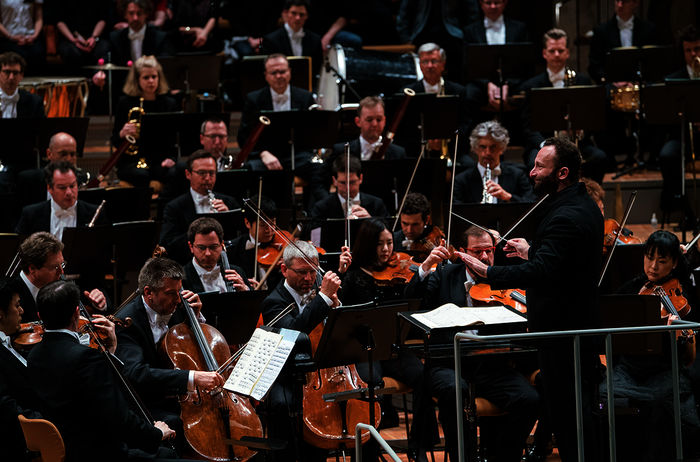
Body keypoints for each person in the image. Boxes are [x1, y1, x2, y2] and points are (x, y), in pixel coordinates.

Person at [461, 137, 604, 461]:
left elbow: (542, 272)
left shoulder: (565, 215)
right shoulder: (581, 204)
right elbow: (561, 262)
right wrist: (533, 249)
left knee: (571, 422)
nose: (532, 172)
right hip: (574, 328)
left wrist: (489, 272)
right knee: (575, 419)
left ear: (562, 172)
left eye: (541, 166)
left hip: (563, 333)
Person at [406, 226, 540, 462]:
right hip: (448, 364)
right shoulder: (445, 274)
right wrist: (425, 268)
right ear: (461, 252)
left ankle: (502, 456)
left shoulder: (502, 278)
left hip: (490, 364)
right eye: (478, 252)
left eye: (489, 251)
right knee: (455, 391)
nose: (485, 258)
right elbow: (413, 304)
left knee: (528, 399)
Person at [27, 280, 180, 462]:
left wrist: (111, 352)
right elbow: (119, 416)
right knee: (169, 452)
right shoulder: (85, 357)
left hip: (64, 448)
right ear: (77, 313)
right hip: (100, 452)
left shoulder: (33, 356)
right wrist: (156, 433)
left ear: (39, 315)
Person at [602, 230, 700, 461]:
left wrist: (677, 332)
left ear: (675, 263)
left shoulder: (682, 292)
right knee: (604, 395)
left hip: (664, 370)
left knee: (678, 415)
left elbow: (688, 355)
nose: (653, 266)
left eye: (662, 261)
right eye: (649, 257)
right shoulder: (631, 288)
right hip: (629, 368)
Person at [115, 257, 224, 447]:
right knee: (178, 423)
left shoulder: (181, 308)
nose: (178, 299)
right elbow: (136, 373)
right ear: (148, 292)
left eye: (179, 292)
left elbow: (197, 350)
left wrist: (196, 318)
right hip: (148, 402)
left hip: (180, 397)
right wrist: (193, 378)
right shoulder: (126, 322)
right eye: (171, 293)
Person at [260, 241, 342, 462]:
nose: (308, 278)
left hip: (319, 371)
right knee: (282, 404)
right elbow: (296, 334)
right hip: (286, 374)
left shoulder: (317, 291)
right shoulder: (273, 302)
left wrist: (334, 308)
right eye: (302, 272)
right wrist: (323, 298)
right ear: (284, 270)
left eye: (313, 271)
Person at [519, 28, 609, 182]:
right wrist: (545, 146)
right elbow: (527, 126)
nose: (556, 55)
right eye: (552, 50)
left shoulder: (582, 82)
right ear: (544, 53)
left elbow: (592, 117)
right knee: (533, 163)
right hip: (543, 143)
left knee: (599, 158)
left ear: (567, 53)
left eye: (560, 51)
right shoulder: (531, 86)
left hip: (576, 143)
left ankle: (590, 201)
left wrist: (582, 130)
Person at [237, 54, 315, 172]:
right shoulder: (253, 99)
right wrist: (263, 154)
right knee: (252, 169)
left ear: (289, 72)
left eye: (282, 71)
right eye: (273, 73)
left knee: (318, 167)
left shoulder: (305, 97)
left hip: (297, 155)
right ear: (266, 76)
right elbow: (244, 136)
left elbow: (311, 132)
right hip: (265, 156)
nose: (279, 76)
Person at [111, 55, 178, 191]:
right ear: (137, 80)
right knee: (140, 175)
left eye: (154, 77)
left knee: (175, 172)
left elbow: (173, 140)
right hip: (131, 162)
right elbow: (115, 141)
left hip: (159, 161)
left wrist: (171, 159)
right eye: (146, 78)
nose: (151, 81)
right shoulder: (125, 103)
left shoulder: (169, 104)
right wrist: (122, 133)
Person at [160, 151, 239, 264]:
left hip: (224, 265)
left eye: (212, 173)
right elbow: (168, 243)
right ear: (188, 174)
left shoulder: (229, 203)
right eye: (202, 173)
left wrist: (228, 217)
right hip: (187, 266)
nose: (207, 178)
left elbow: (239, 239)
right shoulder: (174, 207)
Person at [11, 232, 109, 322]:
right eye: (55, 267)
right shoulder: (9, 297)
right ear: (32, 269)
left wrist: (98, 305)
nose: (61, 272)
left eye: (62, 265)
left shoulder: (61, 282)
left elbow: (87, 314)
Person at [658, 25, 700, 227]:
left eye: (697, 49)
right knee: (667, 154)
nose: (693, 54)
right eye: (688, 50)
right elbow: (667, 118)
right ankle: (685, 211)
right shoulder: (674, 79)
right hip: (684, 135)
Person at [402, 42, 470, 162]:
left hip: (452, 150)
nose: (429, 66)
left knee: (468, 164)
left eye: (434, 61)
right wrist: (427, 142)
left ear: (443, 64)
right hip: (418, 152)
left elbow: (465, 124)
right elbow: (406, 128)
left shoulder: (458, 91)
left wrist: (447, 140)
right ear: (420, 65)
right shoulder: (409, 93)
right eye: (425, 62)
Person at [462, 0, 529, 113]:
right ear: (481, 4)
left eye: (497, 2)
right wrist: (487, 84)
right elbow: (467, 65)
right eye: (488, 3)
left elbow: (525, 63)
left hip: (512, 83)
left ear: (505, 3)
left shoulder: (519, 28)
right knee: (468, 94)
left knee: (527, 92)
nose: (493, 6)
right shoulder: (470, 31)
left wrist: (507, 84)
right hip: (481, 84)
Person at [0, 279, 41, 462]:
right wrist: (47, 421)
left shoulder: (9, 342)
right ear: (1, 314)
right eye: (17, 305)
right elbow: (6, 406)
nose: (22, 311)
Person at [16, 162, 110, 239]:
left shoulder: (96, 213)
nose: (69, 192)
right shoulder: (31, 215)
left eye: (72, 186)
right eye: (62, 188)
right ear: (50, 188)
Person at [93, 0, 174, 89]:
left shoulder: (159, 37)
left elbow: (167, 64)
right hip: (124, 87)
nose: (135, 18)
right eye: (131, 13)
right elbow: (105, 60)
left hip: (152, 87)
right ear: (125, 15)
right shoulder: (115, 37)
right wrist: (99, 73)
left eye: (139, 13)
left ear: (146, 14)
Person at [453, 121, 536, 204]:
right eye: (483, 147)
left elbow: (532, 203)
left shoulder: (517, 175)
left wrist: (508, 197)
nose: (488, 152)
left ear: (502, 148)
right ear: (475, 148)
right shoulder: (461, 180)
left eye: (493, 147)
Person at [396, 0, 478, 81]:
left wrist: (468, 36)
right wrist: (406, 40)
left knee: (457, 69)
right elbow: (404, 15)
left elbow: (472, 14)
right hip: (421, 34)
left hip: (453, 36)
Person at [588, 0, 658, 84]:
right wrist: (613, 82)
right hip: (612, 87)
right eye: (617, 1)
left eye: (624, 1)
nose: (620, 5)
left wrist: (640, 82)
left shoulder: (648, 29)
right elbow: (595, 66)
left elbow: (654, 63)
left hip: (641, 86)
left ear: (635, 3)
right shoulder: (601, 31)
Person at [15, 132, 90, 207]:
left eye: (72, 154)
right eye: (63, 154)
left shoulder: (83, 181)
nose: (69, 159)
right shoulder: (28, 180)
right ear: (49, 154)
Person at [183, 217, 252, 293]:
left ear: (222, 245)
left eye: (213, 247)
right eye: (201, 248)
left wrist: (245, 291)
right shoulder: (181, 279)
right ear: (191, 247)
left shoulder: (237, 271)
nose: (208, 253)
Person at [225, 195, 281, 290]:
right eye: (263, 225)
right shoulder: (232, 249)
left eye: (272, 223)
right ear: (247, 223)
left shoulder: (281, 246)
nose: (269, 230)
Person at [310, 154, 388, 221]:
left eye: (352, 182)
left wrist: (371, 222)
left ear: (360, 178)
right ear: (335, 181)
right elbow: (314, 235)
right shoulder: (321, 208)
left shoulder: (377, 204)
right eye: (343, 183)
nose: (347, 188)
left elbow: (389, 233)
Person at [331, 95, 407, 161]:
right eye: (369, 120)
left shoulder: (398, 154)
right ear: (358, 121)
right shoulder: (341, 152)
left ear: (384, 121)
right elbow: (322, 177)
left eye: (379, 119)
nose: (374, 124)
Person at [262, 0, 323, 77]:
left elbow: (317, 68)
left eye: (301, 14)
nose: (297, 18)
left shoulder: (315, 40)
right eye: (294, 13)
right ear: (286, 13)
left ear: (307, 16)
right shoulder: (271, 40)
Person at [54, 0, 110, 69]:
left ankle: (97, 77)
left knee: (104, 47)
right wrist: (73, 40)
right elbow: (59, 22)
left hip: (94, 37)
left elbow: (102, 19)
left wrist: (93, 37)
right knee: (71, 52)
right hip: (70, 38)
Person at [392, 192, 444, 263]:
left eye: (415, 224)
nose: (409, 230)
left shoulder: (436, 239)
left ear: (427, 220)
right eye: (405, 223)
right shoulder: (391, 240)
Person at [0, 0, 45, 71]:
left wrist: (34, 36)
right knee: (18, 55)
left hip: (30, 37)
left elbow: (39, 18)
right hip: (9, 37)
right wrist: (10, 36)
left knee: (37, 53)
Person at [0, 51, 42, 118]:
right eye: (7, 72)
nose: (11, 77)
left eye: (15, 73)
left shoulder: (34, 102)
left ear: (21, 76)